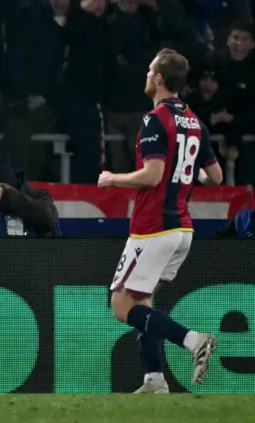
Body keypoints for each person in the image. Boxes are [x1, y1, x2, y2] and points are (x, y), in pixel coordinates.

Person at [98, 48, 224, 393]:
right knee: (144, 302)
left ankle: (194, 341)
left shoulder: (156, 118)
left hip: (153, 226)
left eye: (150, 69)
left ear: (158, 79)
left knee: (121, 305)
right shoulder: (196, 121)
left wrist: (113, 178)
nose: (146, 75)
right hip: (182, 227)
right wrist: (184, 176)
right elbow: (215, 176)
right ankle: (154, 379)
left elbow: (152, 176)